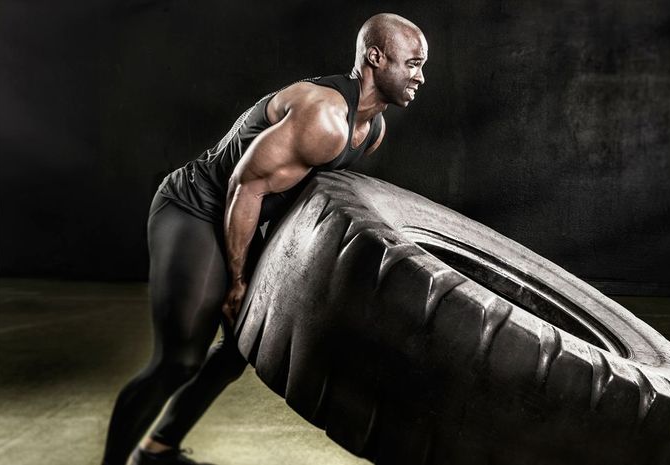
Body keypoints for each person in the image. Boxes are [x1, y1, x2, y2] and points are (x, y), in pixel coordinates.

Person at [101, 13, 428, 465]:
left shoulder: (370, 130)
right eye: (412, 63)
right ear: (376, 57)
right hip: (196, 207)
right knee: (179, 360)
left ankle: (157, 449)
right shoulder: (325, 116)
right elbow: (245, 186)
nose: (420, 76)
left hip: (243, 215)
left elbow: (294, 195)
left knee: (238, 349)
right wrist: (236, 281)